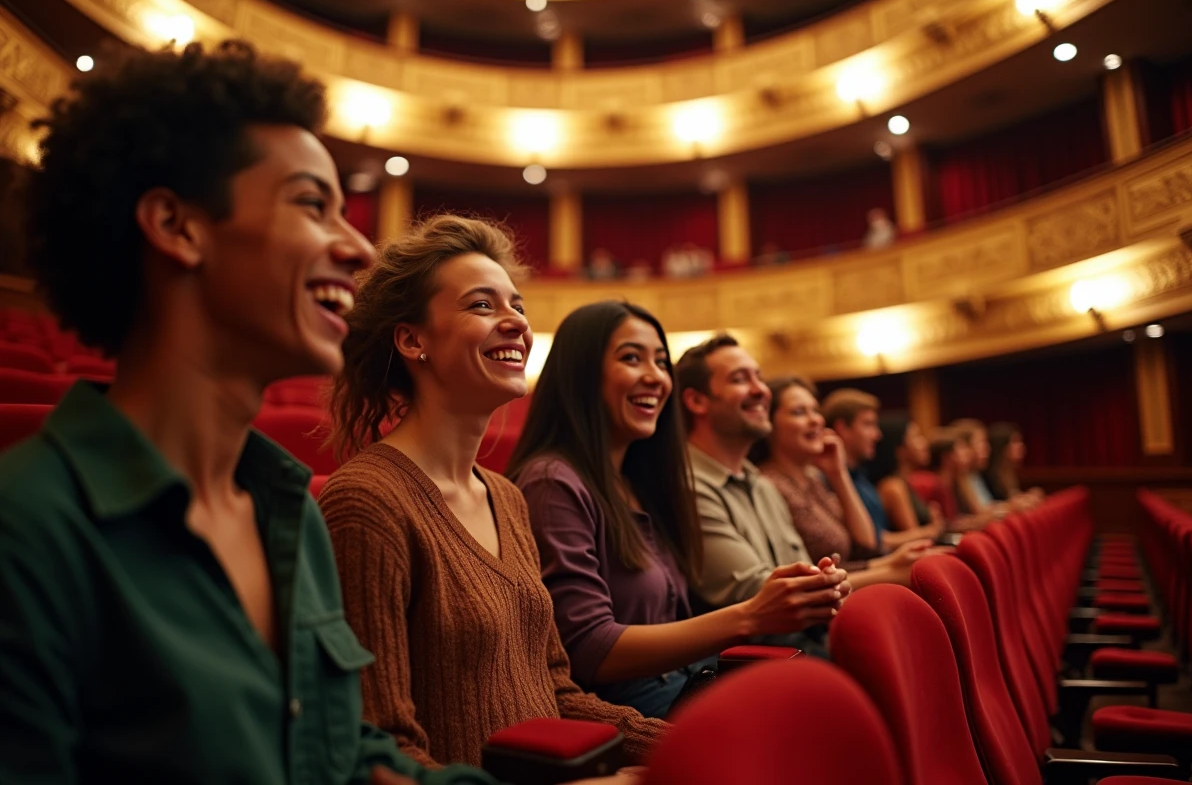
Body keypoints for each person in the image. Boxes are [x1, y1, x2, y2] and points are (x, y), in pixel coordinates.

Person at [0, 40, 499, 784]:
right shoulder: (28, 531)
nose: (359, 246)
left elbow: (343, 759)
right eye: (311, 203)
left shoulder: (288, 514)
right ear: (178, 226)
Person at [318, 216, 665, 769]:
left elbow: (558, 695)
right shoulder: (366, 504)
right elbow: (380, 751)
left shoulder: (506, 498)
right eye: (483, 306)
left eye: (518, 307)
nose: (516, 325)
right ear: (412, 340)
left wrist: (680, 746)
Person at [509, 303, 848, 719]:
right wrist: (751, 615)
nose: (655, 377)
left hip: (686, 682)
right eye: (632, 358)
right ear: (581, 373)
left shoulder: (637, 482)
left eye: (661, 361)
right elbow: (587, 649)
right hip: (628, 709)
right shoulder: (552, 481)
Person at [674, 335, 850, 659]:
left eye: (759, 376)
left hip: (807, 644)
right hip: (750, 667)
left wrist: (830, 578)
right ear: (697, 401)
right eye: (740, 379)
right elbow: (755, 594)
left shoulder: (761, 484)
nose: (761, 390)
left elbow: (804, 572)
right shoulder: (684, 486)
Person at [750, 378, 939, 589]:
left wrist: (838, 473)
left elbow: (866, 544)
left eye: (815, 410)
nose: (815, 420)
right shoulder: (768, 484)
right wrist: (889, 569)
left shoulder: (814, 479)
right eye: (799, 412)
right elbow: (798, 580)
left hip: (846, 589)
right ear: (770, 424)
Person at [821, 389, 940, 551]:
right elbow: (872, 542)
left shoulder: (862, 478)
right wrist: (930, 531)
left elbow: (879, 535)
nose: (877, 435)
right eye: (868, 424)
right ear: (843, 428)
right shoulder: (826, 481)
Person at [986, 422, 1043, 507]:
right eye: (1015, 442)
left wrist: (1027, 497)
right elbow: (991, 506)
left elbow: (1012, 499)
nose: (1021, 446)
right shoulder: (988, 475)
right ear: (1001, 446)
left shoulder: (1008, 471)